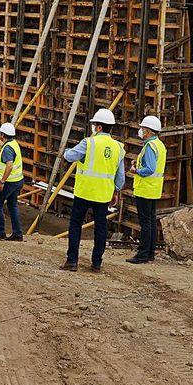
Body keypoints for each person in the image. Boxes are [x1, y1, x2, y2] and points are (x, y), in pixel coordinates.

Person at [61, 109, 125, 272]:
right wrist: (116, 191)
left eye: (95, 124)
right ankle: (96, 263)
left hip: (84, 191)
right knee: (101, 228)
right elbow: (120, 176)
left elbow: (70, 156)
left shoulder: (88, 143)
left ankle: (72, 261)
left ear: (99, 127)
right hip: (103, 194)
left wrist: (66, 151)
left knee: (75, 224)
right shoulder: (118, 147)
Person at [126, 115, 166, 264]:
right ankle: (150, 253)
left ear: (148, 131)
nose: (141, 131)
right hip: (154, 189)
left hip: (145, 189)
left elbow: (149, 169)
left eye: (142, 128)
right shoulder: (159, 145)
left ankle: (142, 254)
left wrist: (136, 170)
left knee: (145, 223)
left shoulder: (150, 146)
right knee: (151, 221)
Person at [0, 122, 24, 241]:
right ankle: (17, 234)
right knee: (13, 206)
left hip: (9, 183)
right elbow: (2, 145)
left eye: (0, 133)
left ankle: (0, 232)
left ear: (2, 134)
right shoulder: (13, 144)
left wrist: (2, 182)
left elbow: (9, 166)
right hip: (17, 180)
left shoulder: (7, 149)